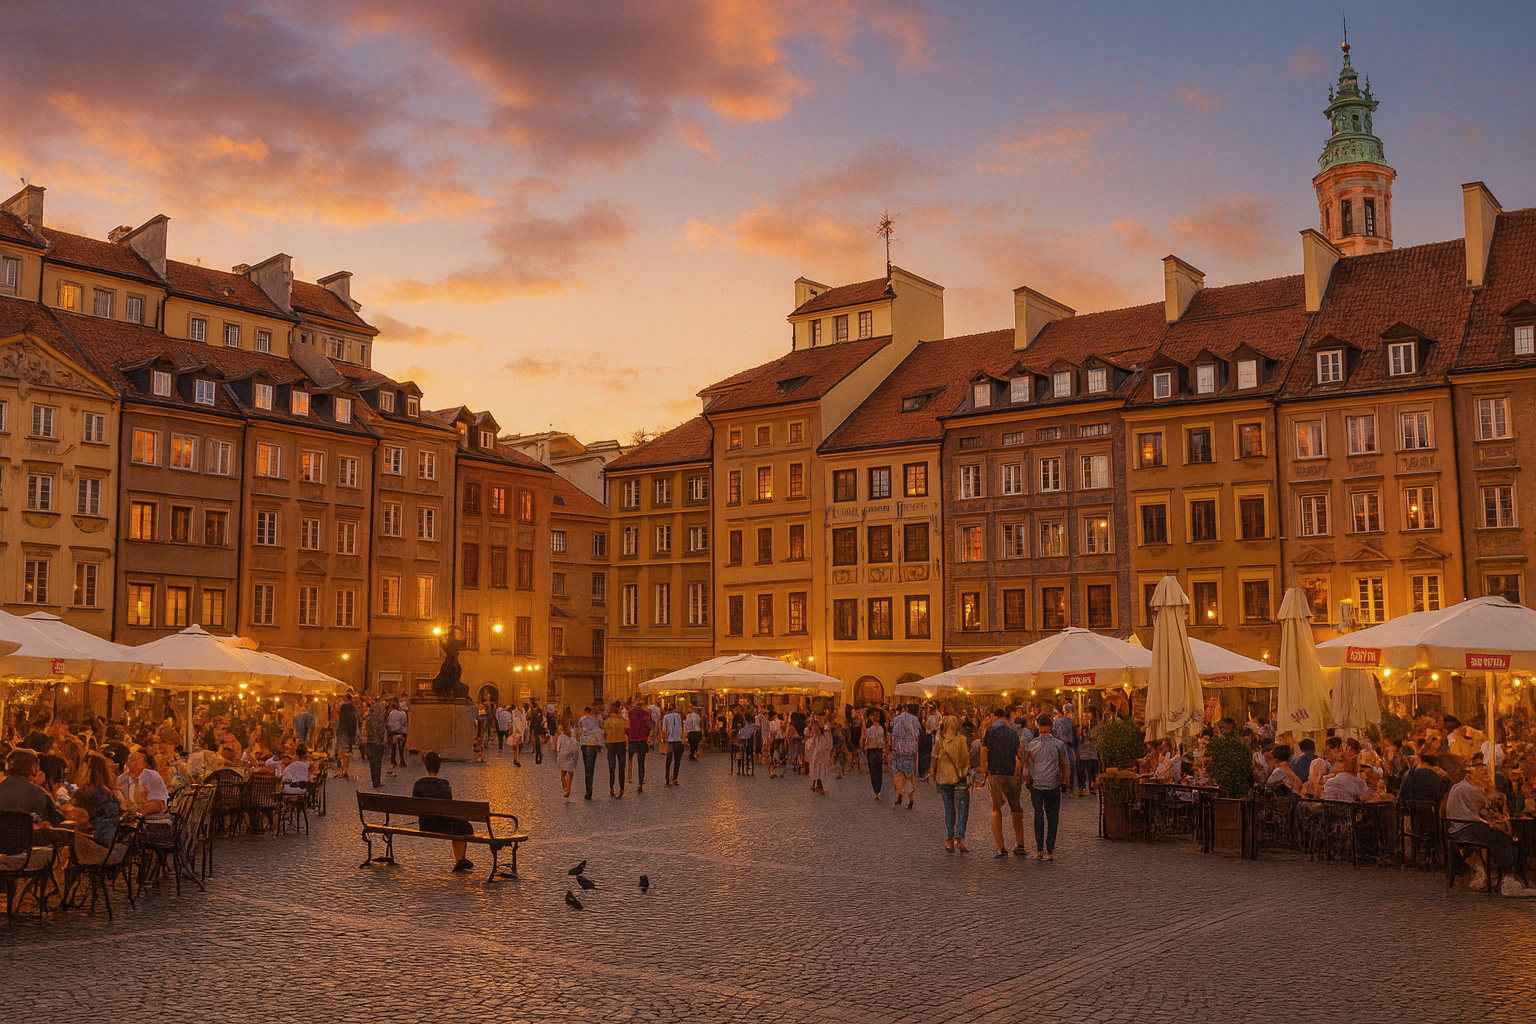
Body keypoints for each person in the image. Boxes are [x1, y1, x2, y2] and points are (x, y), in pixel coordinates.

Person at [1445, 768, 1527, 895]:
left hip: (1459, 828)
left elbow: (1483, 810)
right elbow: (1487, 803)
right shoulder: (1470, 789)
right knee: (1504, 840)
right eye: (1483, 774)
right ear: (1471, 775)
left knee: (1502, 837)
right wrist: (1491, 792)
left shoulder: (1460, 786)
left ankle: (1505, 874)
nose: (1487, 777)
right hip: (1466, 829)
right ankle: (1505, 876)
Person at [412, 751, 476, 873]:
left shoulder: (418, 784)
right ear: (439, 766)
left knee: (459, 824)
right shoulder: (443, 785)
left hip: (425, 824)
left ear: (425, 765)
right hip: (442, 826)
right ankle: (460, 859)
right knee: (461, 825)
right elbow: (449, 806)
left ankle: (461, 861)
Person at [981, 708, 1026, 858]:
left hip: (996, 773)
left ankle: (1001, 848)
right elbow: (1019, 751)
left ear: (995, 716)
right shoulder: (1013, 733)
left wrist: (983, 771)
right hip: (1012, 774)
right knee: (1016, 808)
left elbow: (984, 751)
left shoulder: (991, 731)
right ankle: (1020, 844)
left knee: (996, 809)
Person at [1025, 714, 1071, 861]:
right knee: (1053, 817)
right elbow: (1065, 765)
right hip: (1053, 785)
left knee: (1038, 815)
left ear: (1038, 726)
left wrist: (1027, 781)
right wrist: (1065, 782)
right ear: (1050, 727)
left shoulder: (1032, 745)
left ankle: (1039, 849)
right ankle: (1050, 850)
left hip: (1037, 785)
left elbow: (1027, 766)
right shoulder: (1059, 744)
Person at [62, 754, 120, 865]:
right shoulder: (108, 792)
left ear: (89, 770)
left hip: (98, 842)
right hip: (111, 839)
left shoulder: (87, 792)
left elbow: (66, 810)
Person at [932, 715, 971, 853]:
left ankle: (949, 839)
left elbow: (934, 758)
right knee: (962, 809)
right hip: (959, 778)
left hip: (943, 778)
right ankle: (959, 838)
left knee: (949, 809)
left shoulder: (939, 741)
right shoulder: (961, 740)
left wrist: (933, 775)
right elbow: (964, 759)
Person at [0, 748, 63, 826]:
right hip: (27, 837)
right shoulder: (38, 793)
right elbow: (56, 819)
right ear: (33, 769)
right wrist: (44, 786)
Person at [889, 704, 921, 810]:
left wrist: (893, 747)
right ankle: (910, 799)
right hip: (911, 751)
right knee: (910, 775)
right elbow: (917, 736)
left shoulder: (897, 719)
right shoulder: (915, 720)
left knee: (899, 774)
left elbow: (894, 735)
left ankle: (899, 795)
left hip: (899, 750)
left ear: (906, 709)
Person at [576, 706, 604, 800]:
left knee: (587, 767)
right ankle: (589, 789)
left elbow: (579, 730)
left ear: (585, 711)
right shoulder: (597, 718)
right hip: (594, 743)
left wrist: (579, 740)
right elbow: (602, 727)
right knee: (590, 767)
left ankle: (588, 789)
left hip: (585, 743)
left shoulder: (582, 719)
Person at [627, 700, 653, 793]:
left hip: (633, 739)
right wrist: (646, 734)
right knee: (641, 762)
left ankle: (629, 775)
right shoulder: (645, 713)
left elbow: (628, 725)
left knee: (630, 758)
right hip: (642, 739)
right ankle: (640, 782)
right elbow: (649, 726)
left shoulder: (631, 712)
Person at [603, 702, 629, 798]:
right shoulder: (622, 720)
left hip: (611, 743)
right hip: (621, 742)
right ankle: (621, 788)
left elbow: (605, 732)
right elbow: (627, 730)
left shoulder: (608, 721)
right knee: (621, 767)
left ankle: (611, 787)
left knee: (612, 766)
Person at [364, 697, 391, 789]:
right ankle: (376, 781)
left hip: (370, 741)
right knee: (377, 762)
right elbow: (378, 728)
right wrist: (380, 739)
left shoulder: (370, 715)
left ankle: (374, 780)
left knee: (372, 762)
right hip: (377, 742)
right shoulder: (379, 716)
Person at [1052, 703, 1078, 796]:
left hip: (1065, 745)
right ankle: (1068, 785)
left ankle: (1067, 784)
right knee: (1068, 765)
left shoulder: (1064, 720)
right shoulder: (1066, 720)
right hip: (1065, 745)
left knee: (1066, 765)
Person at [862, 709, 886, 801]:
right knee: (875, 770)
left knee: (875, 770)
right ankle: (877, 790)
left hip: (875, 750)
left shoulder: (879, 728)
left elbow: (866, 738)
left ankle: (877, 790)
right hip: (874, 750)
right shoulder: (878, 728)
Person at [335, 694, 360, 779]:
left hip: (342, 733)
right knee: (345, 753)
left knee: (340, 752)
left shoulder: (343, 710)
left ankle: (341, 770)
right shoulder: (353, 711)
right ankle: (344, 770)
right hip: (348, 734)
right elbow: (356, 721)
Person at [805, 719, 832, 795]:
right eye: (813, 729)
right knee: (815, 769)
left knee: (820, 769)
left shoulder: (823, 737)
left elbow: (827, 745)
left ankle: (819, 785)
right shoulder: (813, 738)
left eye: (815, 729)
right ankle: (817, 785)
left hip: (821, 756)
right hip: (814, 755)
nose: (814, 730)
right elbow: (810, 745)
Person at [661, 704, 684, 787]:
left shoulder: (666, 717)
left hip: (670, 741)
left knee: (669, 761)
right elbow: (682, 727)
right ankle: (675, 778)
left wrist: (664, 742)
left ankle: (667, 779)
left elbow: (664, 730)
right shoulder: (679, 716)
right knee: (677, 761)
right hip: (678, 740)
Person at [555, 721, 580, 799]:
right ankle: (567, 788)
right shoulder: (572, 734)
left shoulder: (561, 737)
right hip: (571, 755)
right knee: (570, 773)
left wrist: (558, 757)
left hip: (563, 756)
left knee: (563, 773)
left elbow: (558, 748)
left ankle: (565, 787)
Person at [387, 700, 409, 769]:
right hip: (401, 732)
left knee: (394, 747)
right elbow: (404, 722)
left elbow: (388, 721)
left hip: (393, 732)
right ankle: (402, 761)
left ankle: (393, 761)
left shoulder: (391, 712)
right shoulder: (403, 714)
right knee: (401, 747)